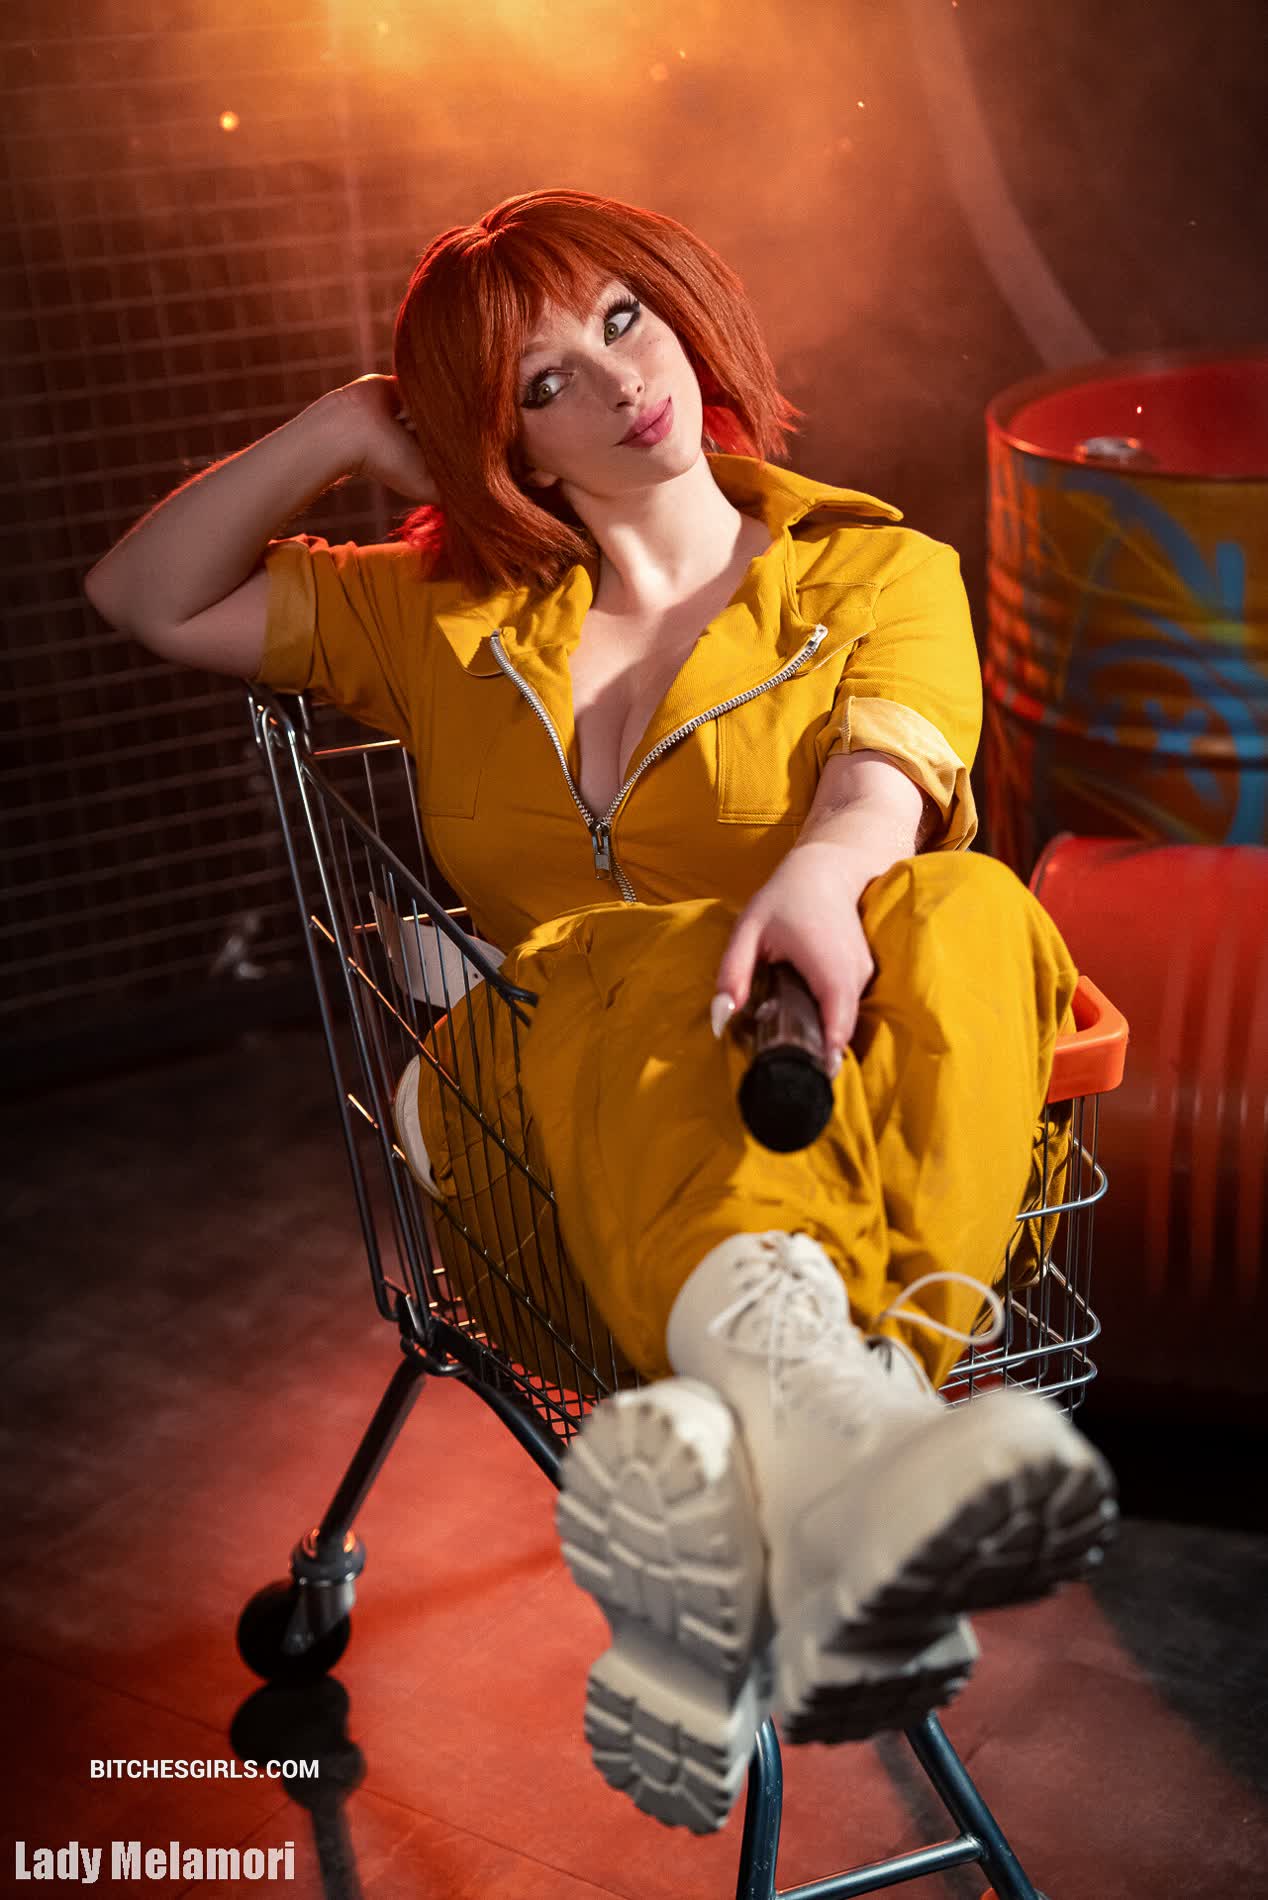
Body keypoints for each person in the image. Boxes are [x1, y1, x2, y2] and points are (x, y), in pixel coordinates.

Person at [84, 187, 1116, 1836]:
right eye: (542, 382)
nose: (621, 379)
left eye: (624, 317)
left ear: (682, 310)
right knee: (621, 954)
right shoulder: (433, 611)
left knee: (974, 905)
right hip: (548, 1159)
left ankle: (796, 1453)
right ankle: (834, 1463)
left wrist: (827, 874)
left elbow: (892, 774)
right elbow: (141, 592)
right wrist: (348, 424)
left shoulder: (874, 570)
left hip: (828, 1132)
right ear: (503, 446)